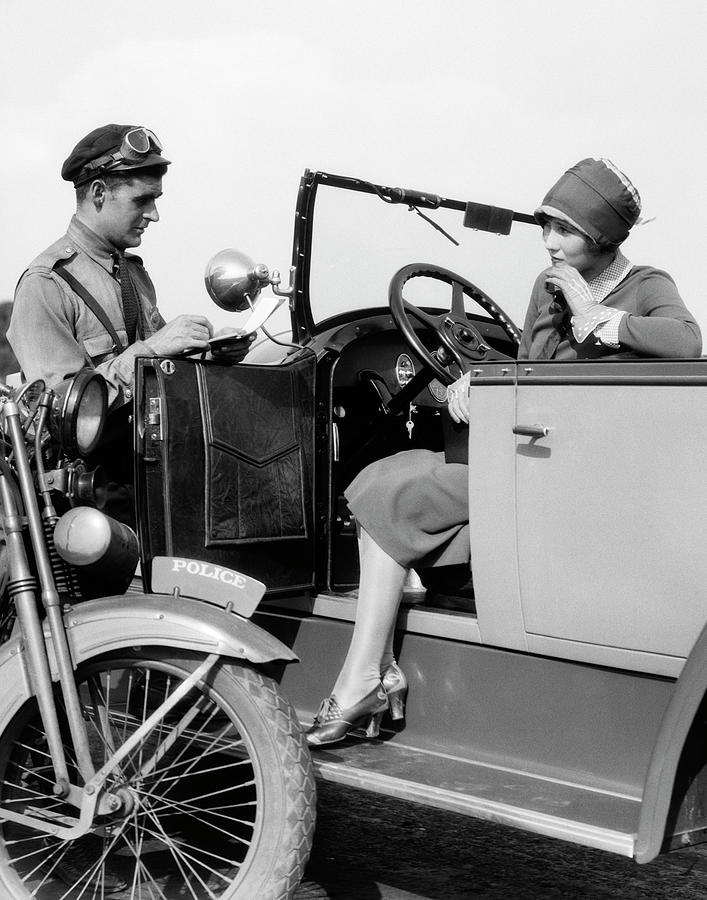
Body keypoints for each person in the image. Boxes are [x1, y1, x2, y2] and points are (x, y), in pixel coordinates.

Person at [306, 157, 702, 747]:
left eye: (564, 230)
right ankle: (376, 662)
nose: (549, 243)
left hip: (586, 467)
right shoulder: (549, 287)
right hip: (532, 449)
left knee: (394, 493)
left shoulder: (647, 285)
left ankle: (368, 673)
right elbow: (530, 364)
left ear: (602, 235)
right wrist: (478, 379)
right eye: (546, 226)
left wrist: (599, 319)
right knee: (389, 476)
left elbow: (688, 342)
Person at [8, 123, 252, 528]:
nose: (153, 215)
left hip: (153, 483)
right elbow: (60, 420)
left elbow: (157, 370)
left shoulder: (131, 274)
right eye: (143, 200)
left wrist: (206, 351)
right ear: (100, 194)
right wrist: (152, 349)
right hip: (91, 506)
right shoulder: (46, 284)